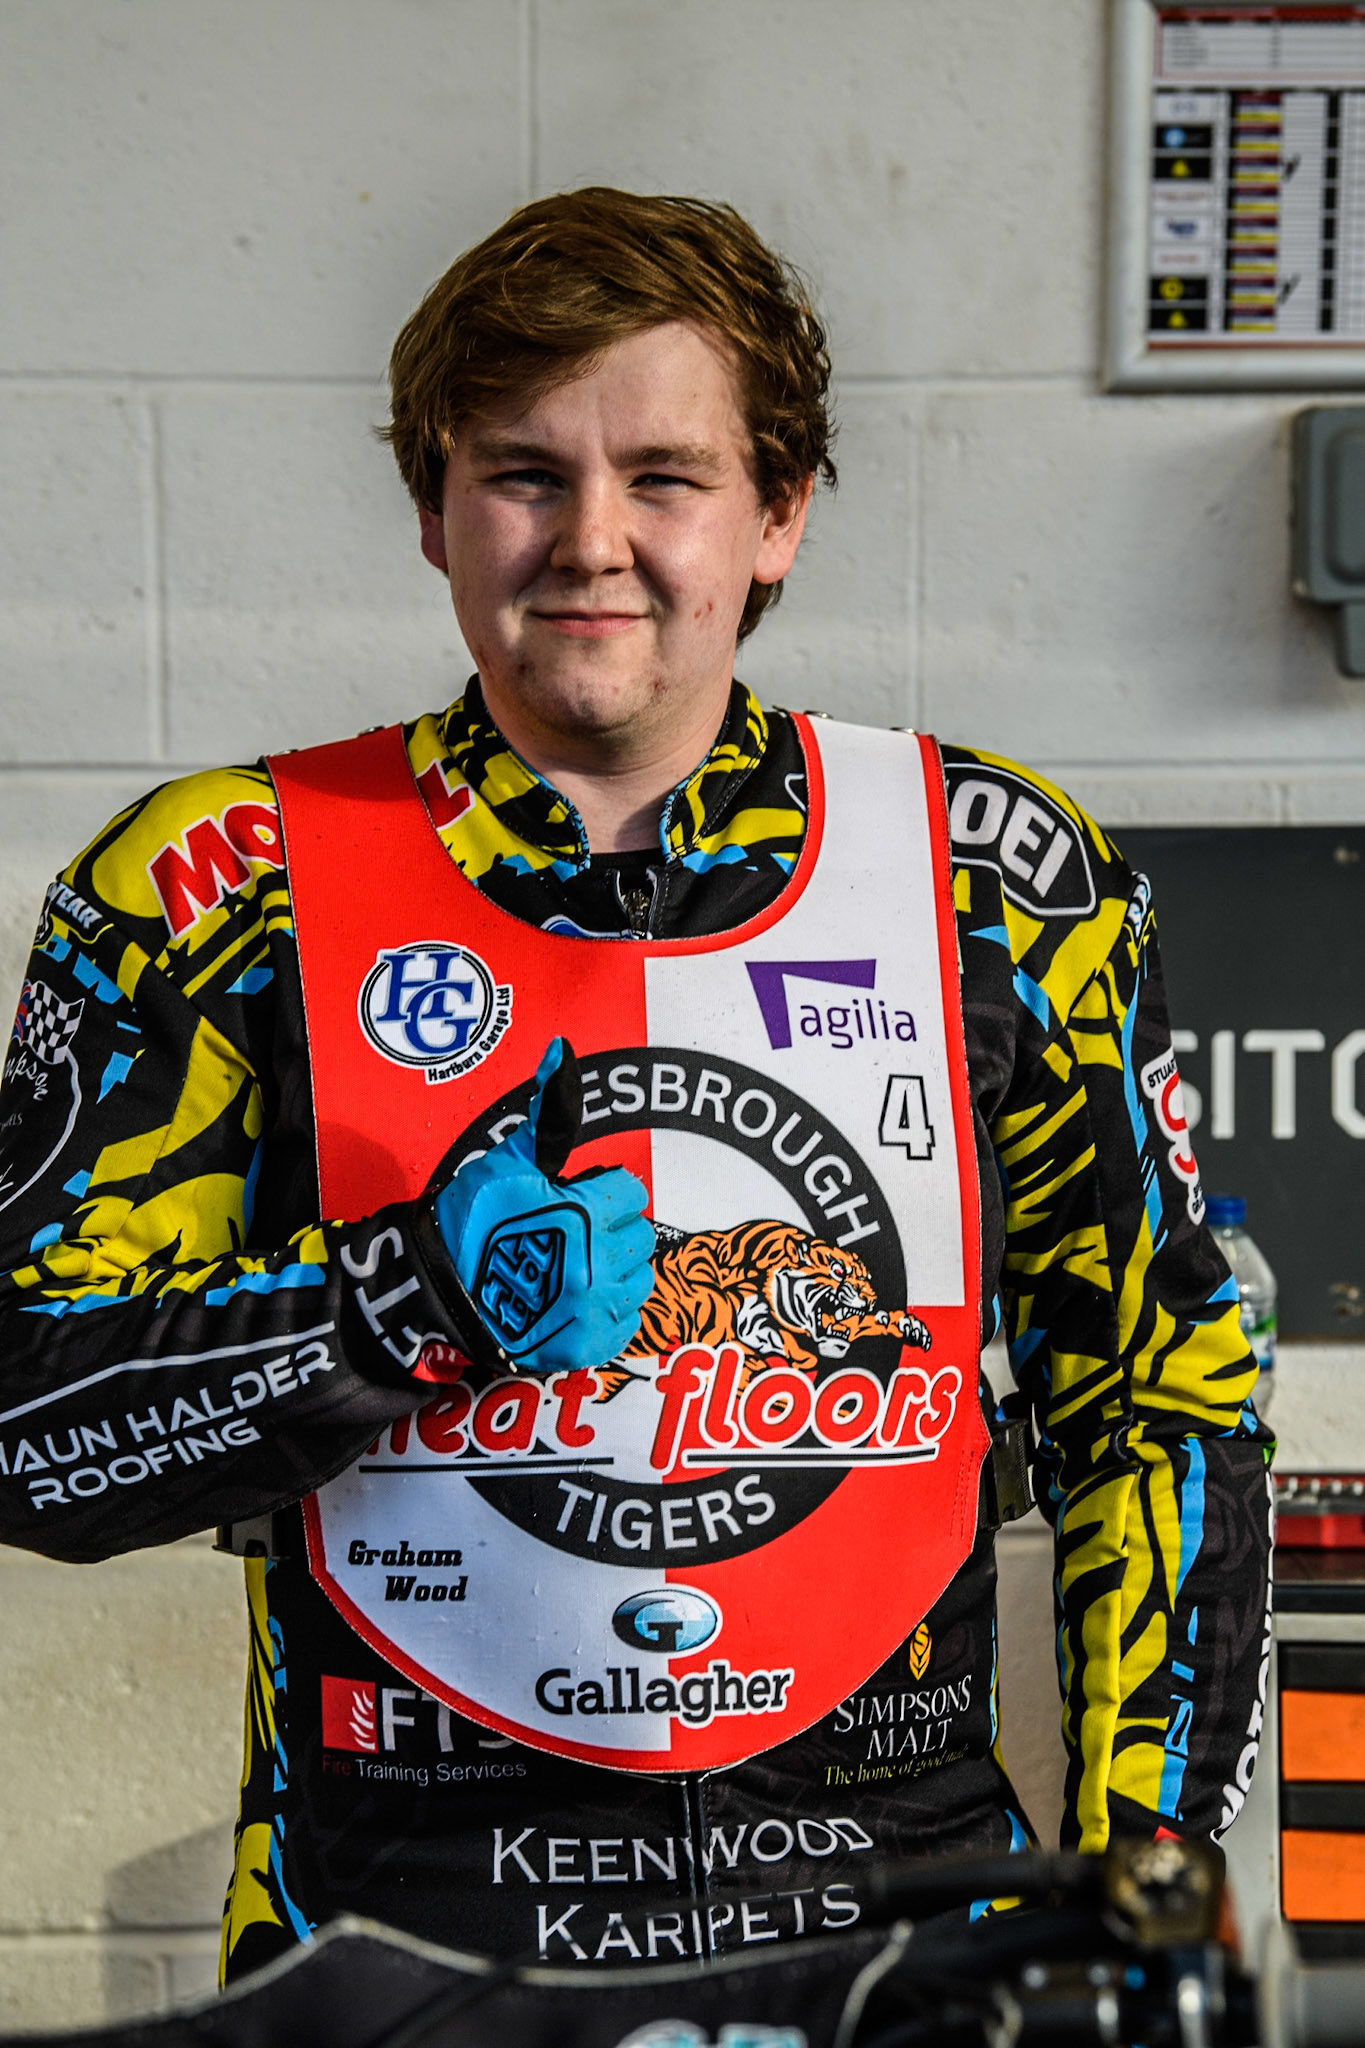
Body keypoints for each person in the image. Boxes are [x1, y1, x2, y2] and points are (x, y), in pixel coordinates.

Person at [0, 188, 1271, 1983]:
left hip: (897, 1893)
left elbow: (1162, 1402)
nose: (593, 541)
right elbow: (22, 1427)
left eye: (664, 476)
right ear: (430, 508)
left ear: (778, 515)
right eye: (525, 471)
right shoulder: (221, 882)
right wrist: (403, 1307)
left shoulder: (997, 878)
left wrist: (1148, 1889)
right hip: (400, 1909)